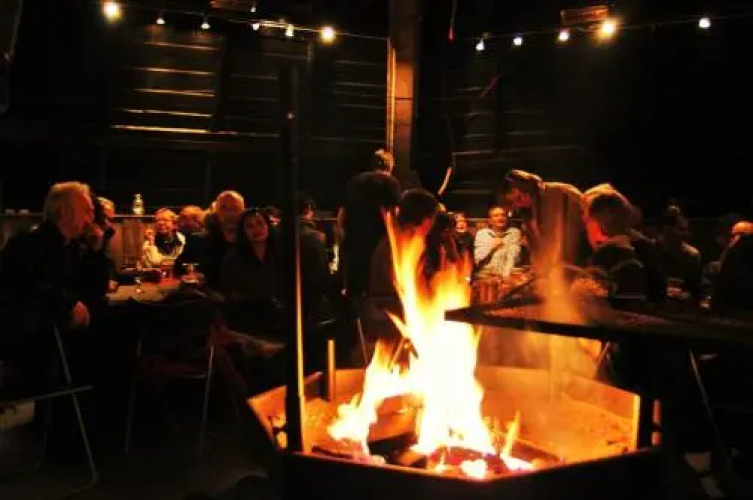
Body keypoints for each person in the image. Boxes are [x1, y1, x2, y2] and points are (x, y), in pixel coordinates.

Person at [340, 149, 401, 300]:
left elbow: (342, 216)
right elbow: (394, 215)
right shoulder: (389, 182)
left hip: (353, 243)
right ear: (389, 165)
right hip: (377, 245)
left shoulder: (354, 182)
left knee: (356, 295)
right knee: (378, 294)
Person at [502, 169, 586, 271]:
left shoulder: (561, 192)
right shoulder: (528, 214)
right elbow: (538, 250)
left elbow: (589, 220)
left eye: (519, 197)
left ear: (528, 187)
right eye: (514, 202)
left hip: (579, 267)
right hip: (555, 272)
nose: (519, 204)